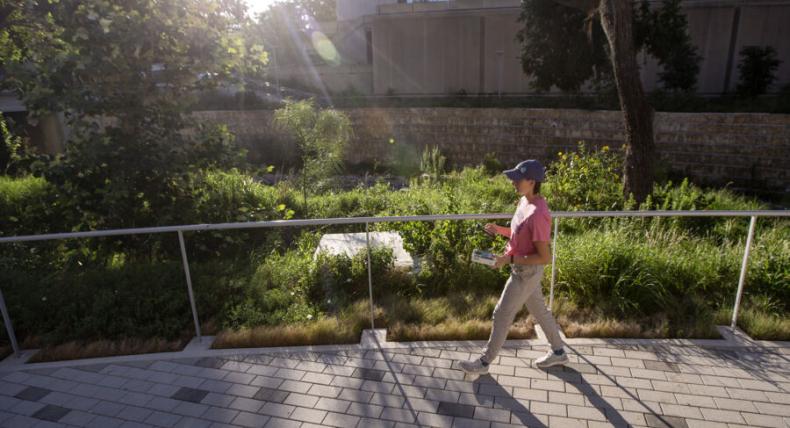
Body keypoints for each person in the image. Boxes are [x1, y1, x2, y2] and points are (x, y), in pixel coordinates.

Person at [459, 159, 567, 375]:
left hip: (526, 273)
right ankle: (558, 352)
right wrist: (500, 230)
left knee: (501, 314)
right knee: (540, 311)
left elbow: (544, 257)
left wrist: (508, 260)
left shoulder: (538, 214)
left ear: (531, 181)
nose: (512, 183)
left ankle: (483, 363)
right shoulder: (524, 202)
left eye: (517, 179)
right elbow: (519, 234)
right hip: (522, 269)